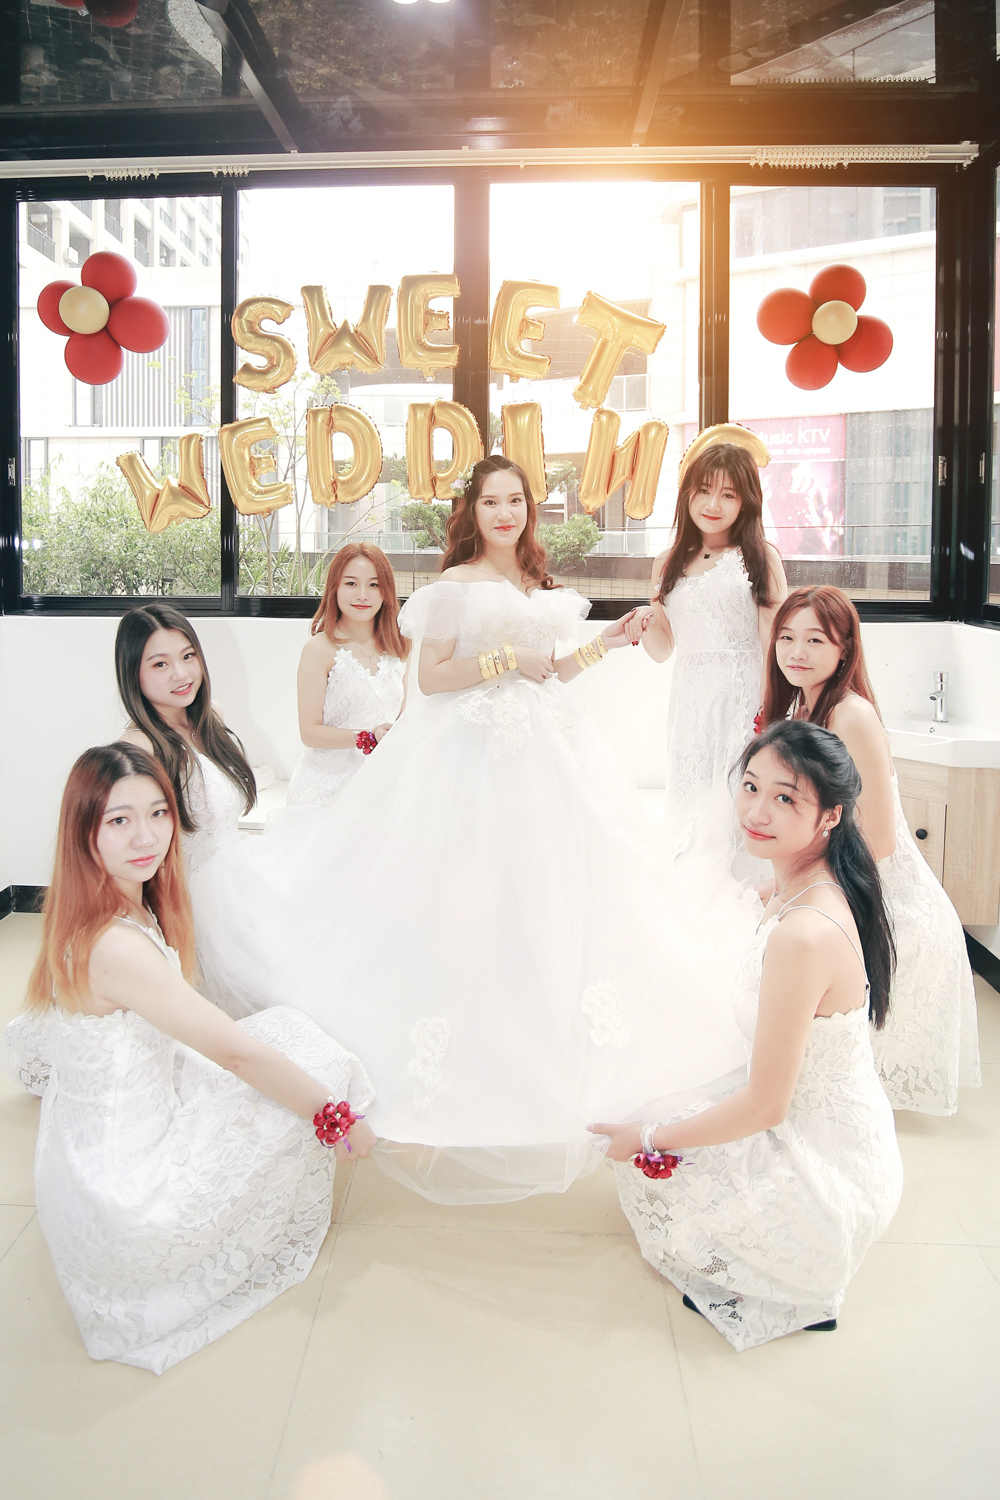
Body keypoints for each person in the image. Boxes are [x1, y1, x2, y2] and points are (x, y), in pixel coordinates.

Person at [190, 456, 759, 1204]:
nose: (505, 513)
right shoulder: (455, 585)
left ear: (529, 509)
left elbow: (553, 671)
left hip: (548, 755)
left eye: (516, 500)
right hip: (469, 759)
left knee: (552, 898)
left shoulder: (535, 584)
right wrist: (506, 658)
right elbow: (432, 678)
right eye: (492, 501)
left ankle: (533, 1040)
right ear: (473, 511)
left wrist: (611, 643)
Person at [0, 743, 374, 1375]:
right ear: (84, 830)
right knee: (309, 1070)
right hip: (128, 1188)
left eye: (157, 813)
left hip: (102, 1147)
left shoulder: (102, 903)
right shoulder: (114, 944)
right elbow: (234, 1053)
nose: (146, 837)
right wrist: (336, 1119)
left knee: (288, 1032)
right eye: (119, 820)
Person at [592, 720, 903, 1351]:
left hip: (825, 1178)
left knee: (649, 1150)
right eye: (752, 787)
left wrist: (647, 1139)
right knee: (660, 1089)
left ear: (831, 816)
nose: (757, 812)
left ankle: (790, 1271)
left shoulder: (804, 933)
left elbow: (766, 1106)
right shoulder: (801, 883)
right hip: (835, 1133)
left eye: (786, 798)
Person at [763, 585, 980, 1114]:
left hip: (883, 893)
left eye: (815, 640)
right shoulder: (804, 704)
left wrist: (801, 889)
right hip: (841, 876)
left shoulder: (849, 714)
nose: (796, 651)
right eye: (786, 637)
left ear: (844, 650)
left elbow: (879, 839)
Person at [626, 427, 787, 818]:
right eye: (703, 491)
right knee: (692, 799)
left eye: (728, 494)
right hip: (691, 701)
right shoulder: (665, 562)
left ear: (745, 502)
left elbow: (775, 639)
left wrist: (773, 707)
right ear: (687, 495)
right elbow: (663, 649)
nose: (713, 504)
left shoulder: (761, 557)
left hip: (745, 698)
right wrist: (644, 620)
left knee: (739, 799)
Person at [115, 602, 255, 877]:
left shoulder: (211, 715)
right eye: (160, 664)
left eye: (188, 656)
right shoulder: (139, 747)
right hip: (188, 890)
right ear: (133, 673)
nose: (181, 674)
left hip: (234, 874)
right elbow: (133, 849)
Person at [286, 543, 408, 810]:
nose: (362, 595)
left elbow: (403, 719)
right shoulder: (319, 649)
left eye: (374, 585)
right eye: (351, 583)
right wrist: (367, 736)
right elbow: (309, 732)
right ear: (335, 588)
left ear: (386, 591)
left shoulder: (399, 647)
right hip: (327, 788)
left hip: (383, 782)